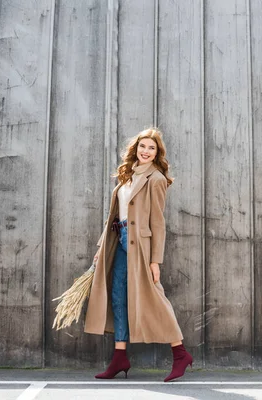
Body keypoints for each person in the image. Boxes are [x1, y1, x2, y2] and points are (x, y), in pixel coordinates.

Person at [84, 127, 193, 382]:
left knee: (155, 298)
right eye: (142, 146)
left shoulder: (155, 179)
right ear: (136, 149)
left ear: (157, 154)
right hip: (119, 240)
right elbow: (115, 216)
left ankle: (180, 353)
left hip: (140, 246)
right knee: (118, 296)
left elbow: (158, 222)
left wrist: (156, 260)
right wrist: (102, 248)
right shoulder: (127, 175)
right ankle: (120, 357)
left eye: (151, 148)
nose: (146, 151)